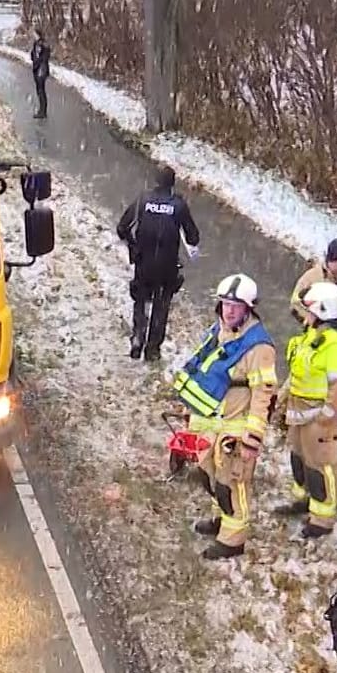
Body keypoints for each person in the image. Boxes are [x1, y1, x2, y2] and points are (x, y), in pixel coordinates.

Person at [171, 274, 279, 560]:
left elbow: (262, 395)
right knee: (211, 477)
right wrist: (190, 411)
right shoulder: (219, 331)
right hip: (212, 423)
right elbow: (204, 372)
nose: (229, 310)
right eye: (225, 304)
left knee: (232, 485)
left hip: (236, 428)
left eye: (236, 305)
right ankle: (221, 519)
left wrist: (251, 439)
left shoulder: (259, 348)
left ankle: (233, 540)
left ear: (249, 309)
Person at [275, 282, 337, 539]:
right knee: (299, 459)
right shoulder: (314, 334)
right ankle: (303, 500)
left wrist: (327, 416)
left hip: (319, 418)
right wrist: (284, 395)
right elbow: (299, 369)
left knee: (320, 466)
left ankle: (322, 518)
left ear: (324, 311)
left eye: (310, 308)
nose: (305, 313)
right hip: (301, 414)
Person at [116, 165, 201, 362]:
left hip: (143, 263)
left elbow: (122, 227)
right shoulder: (178, 205)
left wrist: (133, 246)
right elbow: (193, 237)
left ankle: (138, 337)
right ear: (172, 184)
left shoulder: (142, 200)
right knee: (161, 306)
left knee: (140, 299)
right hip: (167, 267)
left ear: (155, 181)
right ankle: (153, 348)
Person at [30, 29, 51, 119]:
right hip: (36, 69)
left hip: (41, 70)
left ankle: (43, 112)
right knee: (39, 91)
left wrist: (38, 63)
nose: (33, 35)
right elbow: (33, 55)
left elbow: (44, 58)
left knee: (41, 91)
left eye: (34, 34)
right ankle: (41, 110)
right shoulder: (36, 44)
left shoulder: (44, 45)